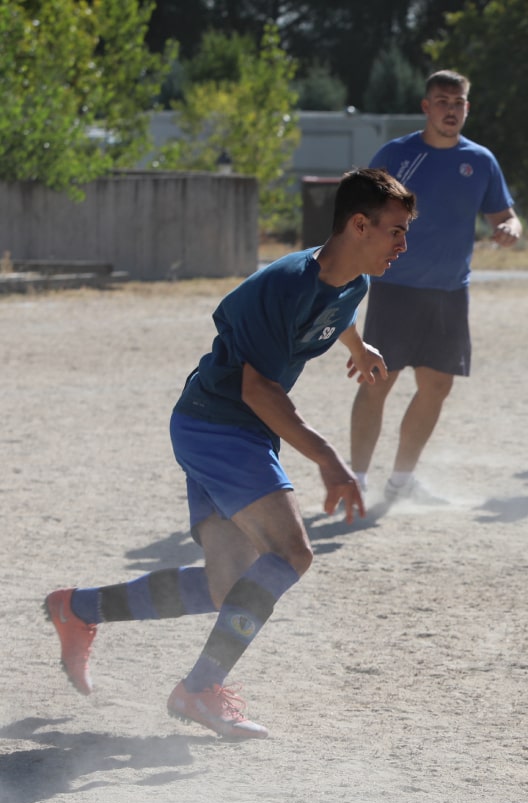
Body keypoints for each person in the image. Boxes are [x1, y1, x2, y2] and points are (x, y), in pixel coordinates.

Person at [44, 168, 417, 739]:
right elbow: (258, 391)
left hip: (222, 427)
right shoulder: (286, 283)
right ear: (360, 225)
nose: (403, 244)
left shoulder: (354, 282)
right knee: (291, 553)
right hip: (221, 425)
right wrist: (328, 460)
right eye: (395, 230)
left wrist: (358, 344)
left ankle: (79, 609)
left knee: (228, 587)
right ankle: (198, 690)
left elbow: (337, 308)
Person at [351, 69, 522, 504]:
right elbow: (359, 211)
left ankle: (401, 482)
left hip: (449, 292)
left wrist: (510, 228)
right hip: (396, 288)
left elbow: (503, 215)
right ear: (426, 107)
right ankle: (356, 480)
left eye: (458, 102)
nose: (451, 110)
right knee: (377, 384)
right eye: (442, 101)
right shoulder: (398, 153)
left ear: (468, 108)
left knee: (437, 387)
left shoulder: (481, 160)